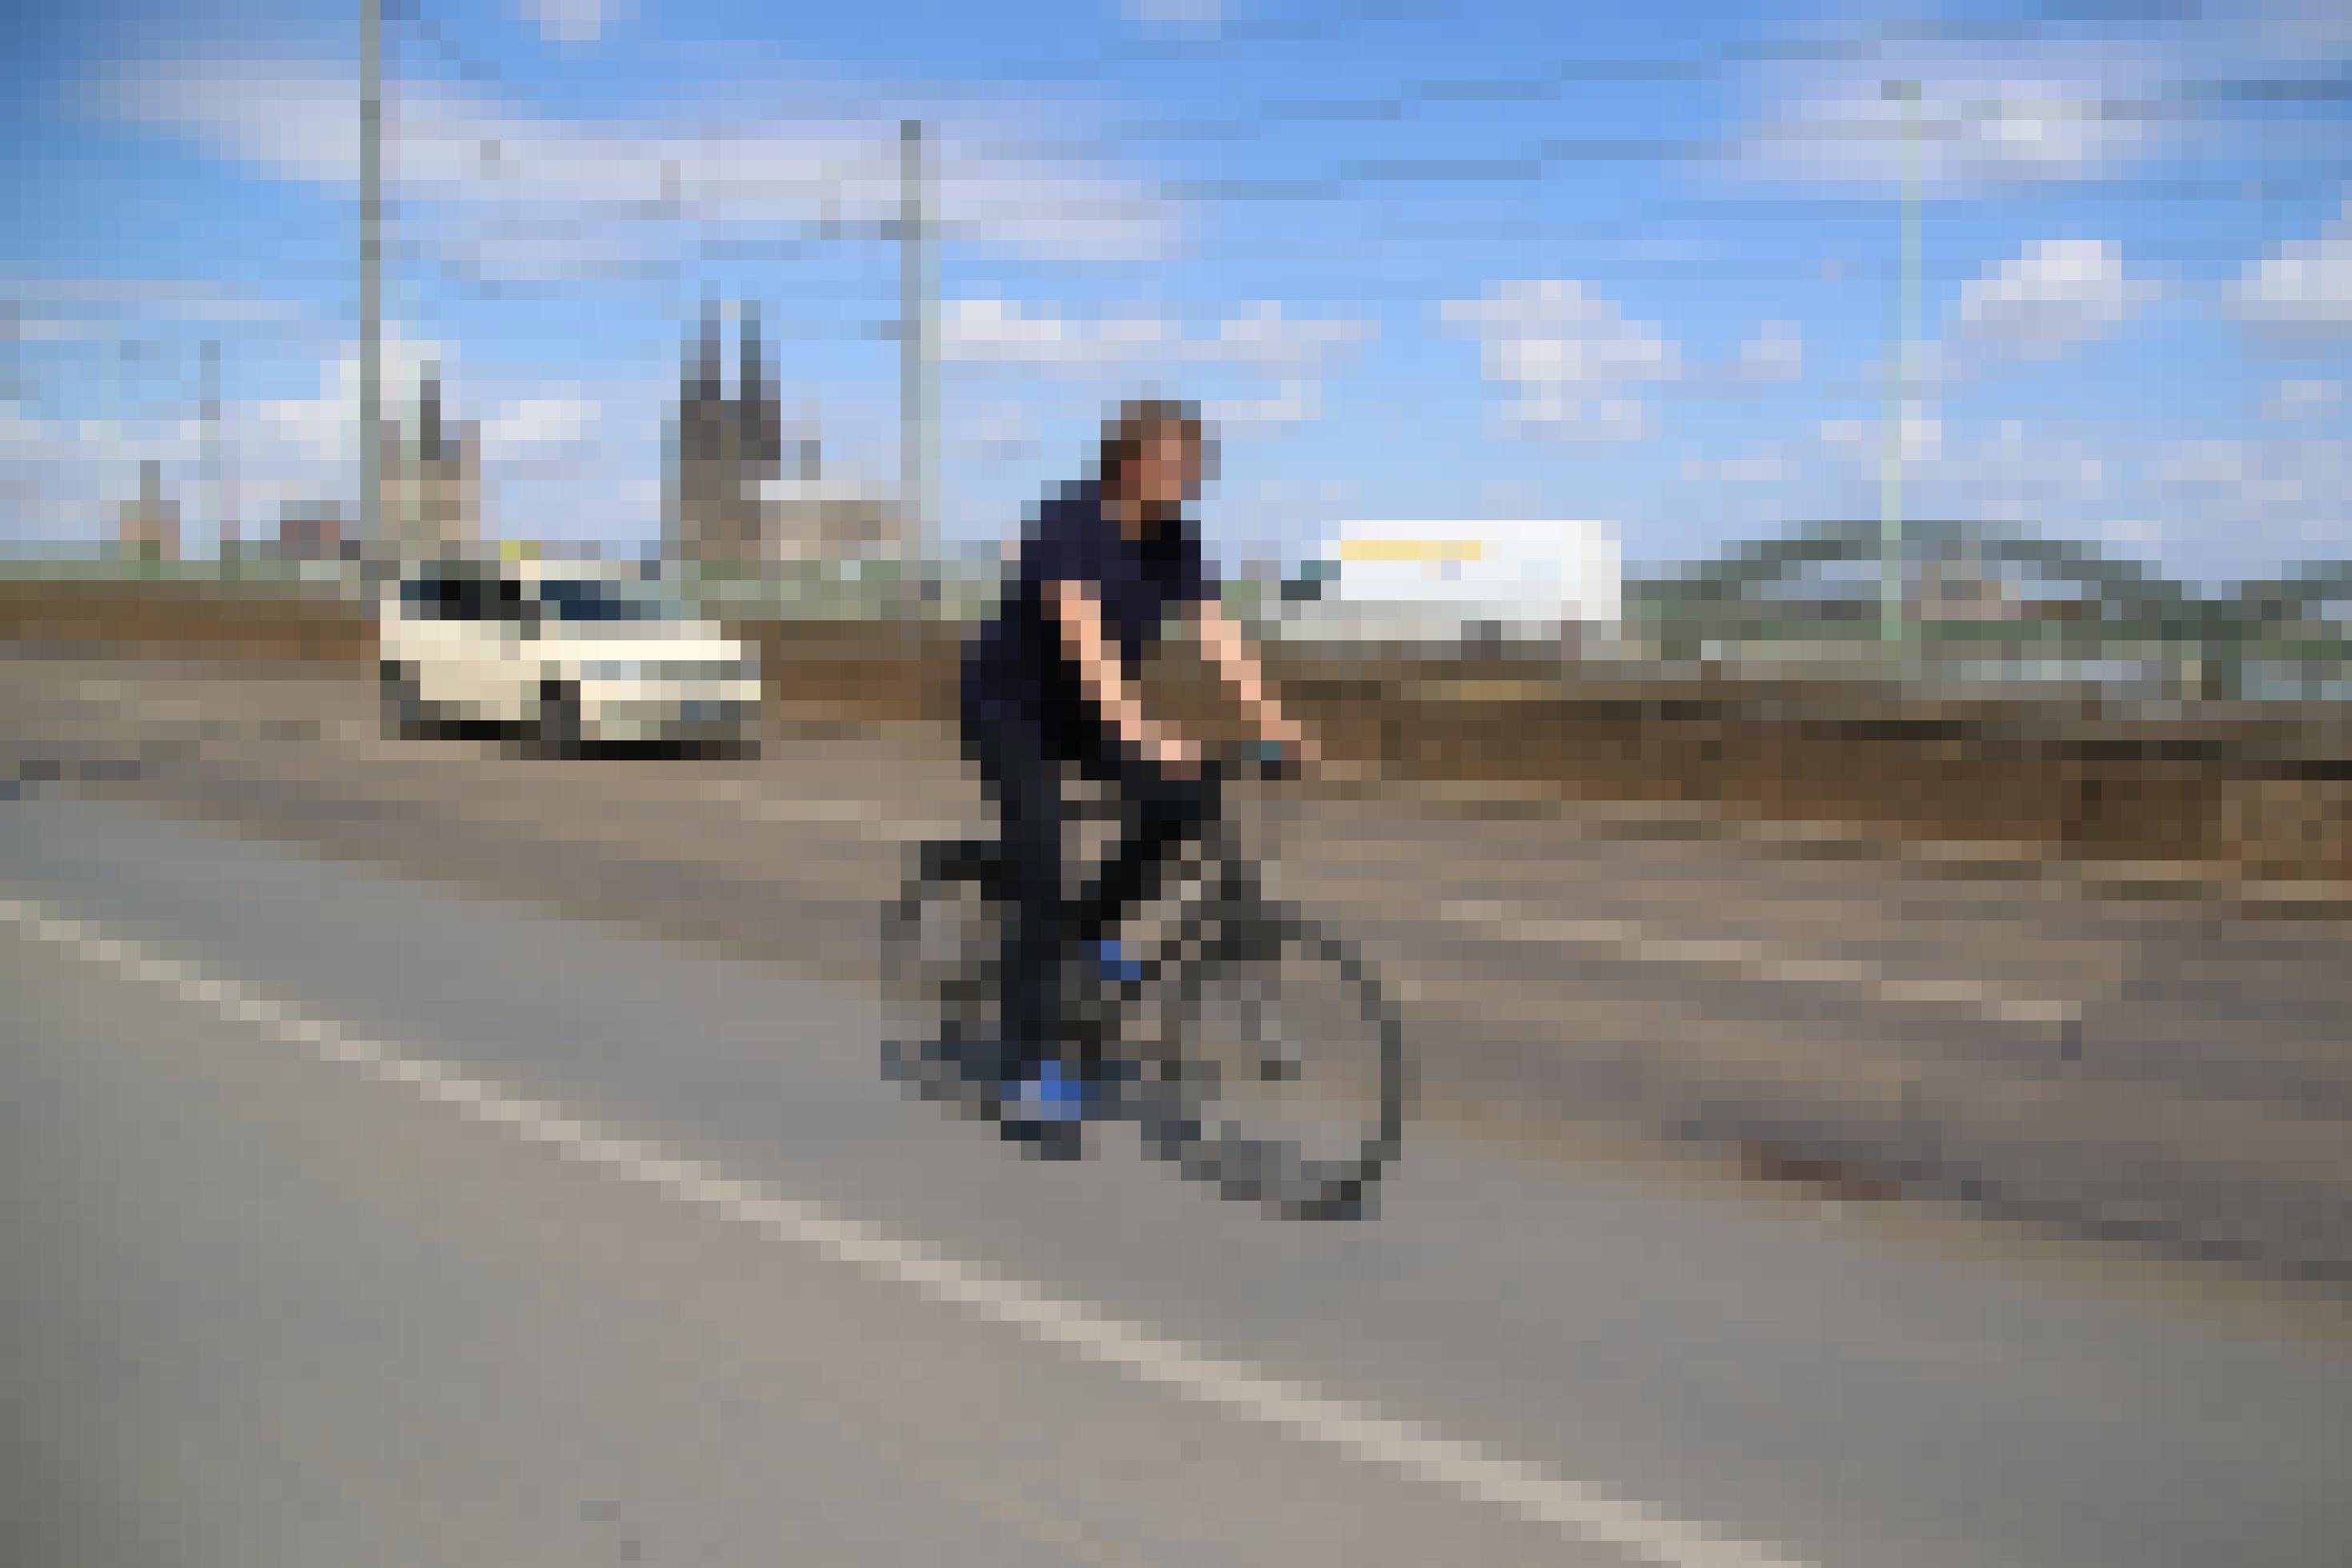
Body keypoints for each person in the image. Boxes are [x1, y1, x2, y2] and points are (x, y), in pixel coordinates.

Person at [960, 399, 1317, 1152]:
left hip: (1092, 709)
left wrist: (1273, 716)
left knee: (1189, 794)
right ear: (1129, 462)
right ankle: (1028, 1071)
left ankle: (1089, 938)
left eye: (1196, 466)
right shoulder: (1066, 524)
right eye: (1175, 463)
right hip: (1014, 709)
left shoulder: (1176, 541)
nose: (1189, 478)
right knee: (1042, 865)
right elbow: (1082, 636)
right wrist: (1138, 725)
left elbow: (1216, 633)